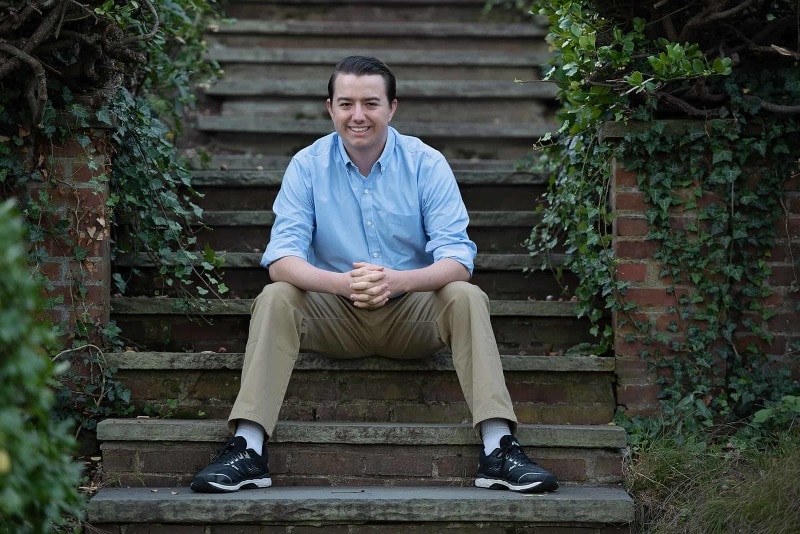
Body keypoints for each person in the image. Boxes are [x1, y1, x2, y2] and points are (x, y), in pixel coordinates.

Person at [189, 55, 558, 494]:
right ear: (330, 108)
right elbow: (281, 259)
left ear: (392, 108)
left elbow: (457, 258)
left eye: (370, 103)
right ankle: (248, 448)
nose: (358, 115)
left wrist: (397, 282)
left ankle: (499, 448)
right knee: (276, 297)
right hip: (334, 318)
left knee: (465, 295)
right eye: (346, 104)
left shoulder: (426, 163)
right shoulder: (307, 166)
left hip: (412, 318)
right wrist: (343, 285)